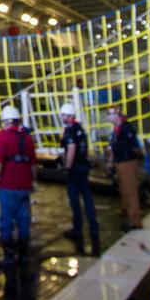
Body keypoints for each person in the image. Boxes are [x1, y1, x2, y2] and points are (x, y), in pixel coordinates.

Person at [0, 105, 36, 267]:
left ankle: (9, 258)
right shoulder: (28, 138)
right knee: (24, 221)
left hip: (8, 186)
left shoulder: (3, 138)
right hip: (25, 186)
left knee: (7, 221)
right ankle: (23, 256)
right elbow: (33, 165)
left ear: (5, 122)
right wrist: (31, 183)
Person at [59, 103, 100, 254]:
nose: (62, 117)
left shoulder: (70, 131)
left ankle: (78, 229)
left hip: (75, 169)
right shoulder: (80, 130)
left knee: (75, 201)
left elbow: (71, 150)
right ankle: (94, 228)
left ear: (68, 116)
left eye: (63, 115)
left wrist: (67, 167)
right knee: (88, 199)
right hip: (83, 167)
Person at [106, 107, 144, 230]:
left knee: (130, 190)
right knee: (123, 188)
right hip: (120, 161)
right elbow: (113, 146)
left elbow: (133, 146)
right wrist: (111, 162)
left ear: (117, 115)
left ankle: (135, 220)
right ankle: (127, 210)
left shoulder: (126, 128)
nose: (108, 117)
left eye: (110, 114)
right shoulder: (117, 129)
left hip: (127, 161)